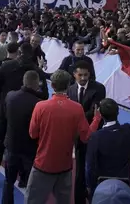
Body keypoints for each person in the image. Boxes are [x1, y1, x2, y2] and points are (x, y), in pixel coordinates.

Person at [25, 70, 101, 204]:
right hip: (64, 166)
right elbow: (86, 137)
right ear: (68, 85)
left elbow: (32, 134)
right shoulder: (77, 108)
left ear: (52, 85)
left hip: (43, 164)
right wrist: (96, 119)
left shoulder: (40, 106)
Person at [0, 43, 49, 186]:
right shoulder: (36, 71)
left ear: (19, 52)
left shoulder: (7, 67)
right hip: (27, 114)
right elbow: (44, 95)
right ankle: (23, 178)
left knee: (0, 143)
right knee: (25, 148)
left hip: (6, 109)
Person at [85, 97, 130, 196]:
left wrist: (90, 187)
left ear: (100, 114)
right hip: (124, 183)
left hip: (101, 186)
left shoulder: (95, 137)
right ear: (118, 112)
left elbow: (89, 167)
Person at [1, 70, 48, 204]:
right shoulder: (39, 104)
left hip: (11, 145)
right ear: (36, 84)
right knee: (31, 185)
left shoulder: (10, 96)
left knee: (8, 181)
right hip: (30, 149)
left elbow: (4, 118)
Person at [67, 60, 106, 204]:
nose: (83, 78)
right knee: (79, 170)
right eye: (80, 75)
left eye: (86, 75)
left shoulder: (99, 88)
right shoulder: (70, 89)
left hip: (94, 135)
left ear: (89, 74)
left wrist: (76, 117)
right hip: (77, 136)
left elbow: (94, 112)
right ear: (74, 75)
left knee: (94, 169)